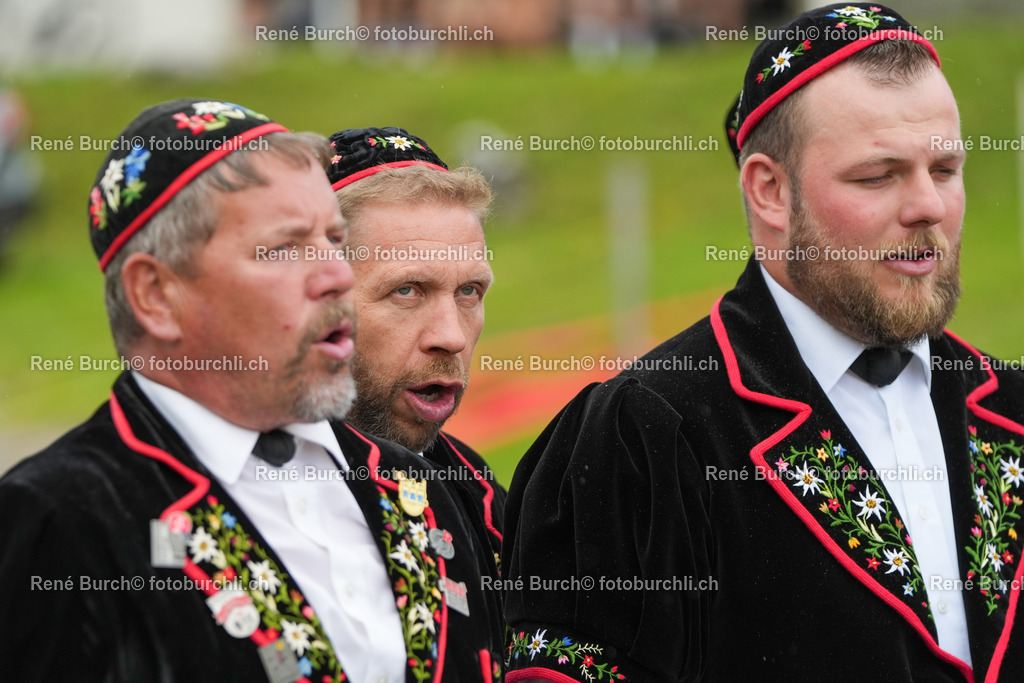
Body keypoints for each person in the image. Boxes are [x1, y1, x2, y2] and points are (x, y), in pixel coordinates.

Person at [503, 4, 1024, 681]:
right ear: (770, 191)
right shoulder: (647, 435)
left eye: (945, 169)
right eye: (879, 175)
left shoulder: (1012, 407)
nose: (928, 205)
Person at [0, 99, 504, 682]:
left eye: (334, 241)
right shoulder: (59, 521)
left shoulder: (417, 485)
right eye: (288, 248)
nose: (337, 274)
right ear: (156, 295)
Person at [325, 127, 505, 580]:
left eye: (468, 291)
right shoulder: (227, 496)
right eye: (407, 290)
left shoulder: (479, 498)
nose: (452, 338)